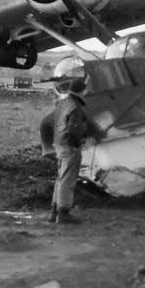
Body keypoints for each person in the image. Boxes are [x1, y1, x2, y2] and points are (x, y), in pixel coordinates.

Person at [50, 76, 102, 224]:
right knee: (68, 179)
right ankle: (63, 213)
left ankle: (54, 212)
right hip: (69, 146)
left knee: (61, 177)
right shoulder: (76, 107)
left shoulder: (63, 103)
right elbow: (74, 129)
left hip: (59, 144)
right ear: (81, 91)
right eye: (85, 91)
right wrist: (77, 143)